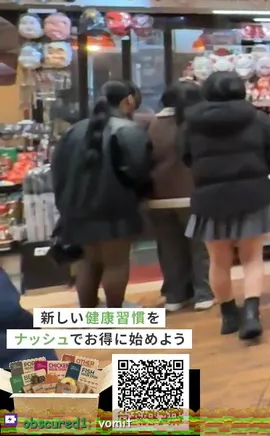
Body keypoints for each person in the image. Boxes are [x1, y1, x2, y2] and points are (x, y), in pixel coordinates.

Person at [181, 72, 270, 341]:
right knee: (252, 259)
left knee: (219, 261)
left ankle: (229, 316)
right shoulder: (257, 118)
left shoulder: (191, 122)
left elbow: (185, 155)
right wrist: (261, 169)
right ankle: (251, 314)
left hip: (209, 198)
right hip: (252, 196)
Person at [50, 80, 149, 308]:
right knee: (116, 263)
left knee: (89, 261)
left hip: (77, 208)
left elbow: (58, 169)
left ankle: (89, 314)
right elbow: (139, 171)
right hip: (116, 208)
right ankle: (114, 315)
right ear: (129, 99)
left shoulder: (74, 130)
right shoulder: (129, 130)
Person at [146, 81, 213, 312]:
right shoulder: (198, 124)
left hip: (158, 197)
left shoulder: (151, 124)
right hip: (193, 194)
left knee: (169, 249)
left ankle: (175, 296)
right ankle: (203, 294)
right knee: (200, 247)